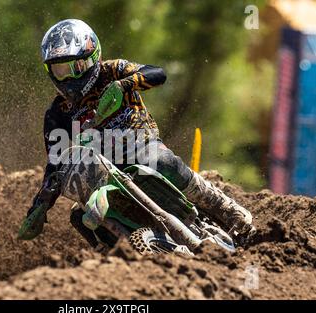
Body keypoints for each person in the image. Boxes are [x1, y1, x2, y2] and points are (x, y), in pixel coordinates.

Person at [21, 19, 254, 243]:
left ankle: (223, 207)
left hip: (140, 143)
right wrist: (40, 205)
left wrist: (124, 85)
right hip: (104, 169)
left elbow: (158, 74)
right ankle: (121, 258)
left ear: (92, 58)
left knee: (161, 161)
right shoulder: (57, 112)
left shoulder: (113, 70)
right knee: (79, 217)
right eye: (60, 71)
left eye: (76, 67)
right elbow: (55, 164)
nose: (69, 77)